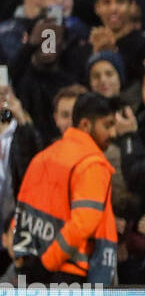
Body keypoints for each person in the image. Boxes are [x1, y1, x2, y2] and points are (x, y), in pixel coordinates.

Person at [9, 91, 120, 284]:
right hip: (72, 275)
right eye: (107, 125)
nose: (113, 133)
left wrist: (22, 262)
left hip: (32, 272)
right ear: (86, 125)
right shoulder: (92, 163)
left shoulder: (43, 157)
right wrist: (47, 264)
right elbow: (83, 223)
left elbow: (20, 217)